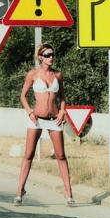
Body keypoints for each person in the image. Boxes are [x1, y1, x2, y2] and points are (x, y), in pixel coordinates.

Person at [15, 44, 74, 206]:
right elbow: (22, 96)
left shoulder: (58, 75)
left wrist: (62, 111)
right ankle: (20, 190)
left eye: (53, 55)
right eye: (47, 55)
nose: (51, 57)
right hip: (36, 119)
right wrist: (29, 112)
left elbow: (62, 97)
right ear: (40, 57)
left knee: (61, 155)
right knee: (28, 154)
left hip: (54, 119)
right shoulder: (33, 74)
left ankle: (68, 191)